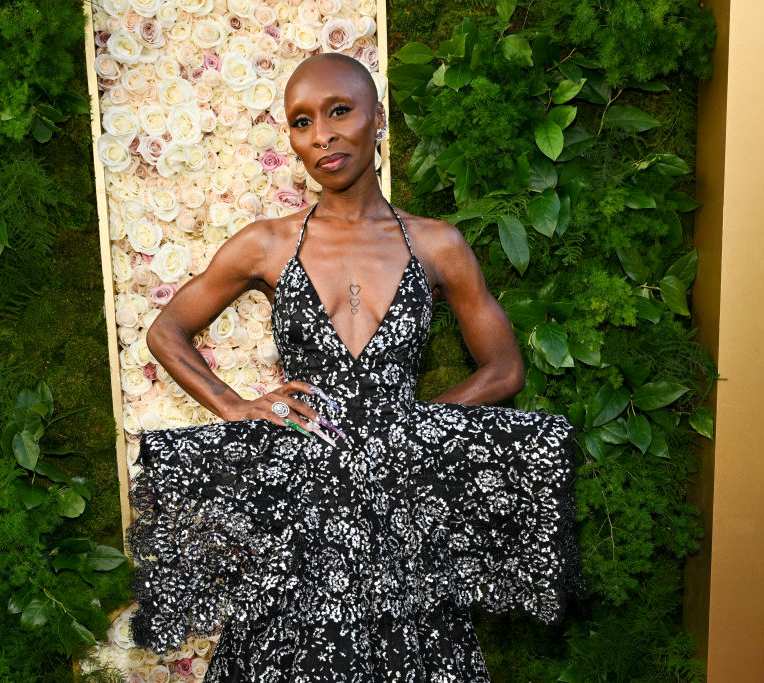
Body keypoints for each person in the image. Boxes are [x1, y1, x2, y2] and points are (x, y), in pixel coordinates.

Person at [124, 52, 585, 681]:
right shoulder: (268, 243)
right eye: (302, 122)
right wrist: (236, 406)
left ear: (378, 119)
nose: (322, 135)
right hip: (299, 504)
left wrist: (416, 425)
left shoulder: (437, 243)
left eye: (339, 111)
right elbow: (166, 330)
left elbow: (505, 368)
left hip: (400, 504)